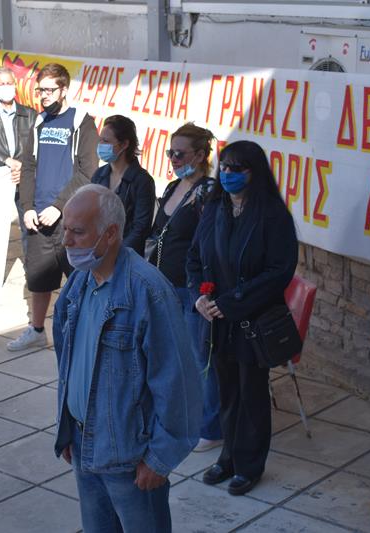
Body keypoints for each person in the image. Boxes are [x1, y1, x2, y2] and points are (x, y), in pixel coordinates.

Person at [53, 184, 201, 533]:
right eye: (65, 230)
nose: (67, 241)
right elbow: (68, 360)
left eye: (77, 232)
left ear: (110, 234)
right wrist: (67, 428)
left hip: (130, 459)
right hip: (85, 447)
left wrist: (160, 458)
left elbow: (178, 383)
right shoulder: (78, 283)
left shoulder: (148, 291)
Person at [187, 140, 298, 496]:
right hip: (218, 319)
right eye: (224, 167)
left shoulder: (273, 215)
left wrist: (234, 301)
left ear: (255, 172)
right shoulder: (215, 207)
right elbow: (194, 257)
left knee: (251, 394)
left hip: (252, 320)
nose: (228, 174)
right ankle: (228, 457)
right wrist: (199, 296)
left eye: (237, 168)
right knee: (227, 392)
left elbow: (279, 271)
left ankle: (249, 465)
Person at [9, 62, 98, 351]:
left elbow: (87, 171)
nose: (44, 95)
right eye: (40, 90)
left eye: (49, 90)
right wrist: (27, 207)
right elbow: (28, 167)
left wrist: (59, 206)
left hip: (70, 217)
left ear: (64, 89)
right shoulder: (39, 121)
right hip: (38, 215)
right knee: (38, 278)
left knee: (80, 278)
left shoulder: (81, 121)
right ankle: (37, 330)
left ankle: (84, 332)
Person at [148, 122, 222, 452]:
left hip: (191, 290)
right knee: (173, 357)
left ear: (201, 155)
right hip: (164, 286)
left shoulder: (208, 191)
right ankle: (183, 415)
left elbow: (211, 243)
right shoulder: (172, 186)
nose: (174, 159)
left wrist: (202, 290)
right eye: (170, 153)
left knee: (199, 358)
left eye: (180, 153)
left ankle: (211, 426)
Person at [0, 66, 38, 273]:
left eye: (9, 83)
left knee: (29, 223)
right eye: (1, 83)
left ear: (15, 85)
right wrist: (6, 161)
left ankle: (32, 268)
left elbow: (36, 147)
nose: (6, 87)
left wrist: (23, 167)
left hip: (24, 176)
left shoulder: (30, 115)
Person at [90, 114, 155, 255]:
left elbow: (141, 228)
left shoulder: (142, 181)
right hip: (97, 253)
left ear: (124, 144)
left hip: (125, 256)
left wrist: (115, 253)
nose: (100, 145)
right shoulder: (99, 175)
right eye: (100, 140)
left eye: (106, 141)